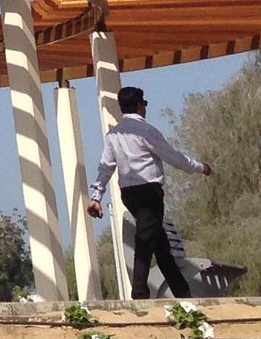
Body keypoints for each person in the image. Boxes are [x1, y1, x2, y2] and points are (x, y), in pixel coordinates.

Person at [87, 84, 212, 299]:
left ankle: (182, 291)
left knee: (159, 243)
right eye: (144, 104)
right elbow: (174, 157)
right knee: (145, 240)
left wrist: (97, 196)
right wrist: (200, 167)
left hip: (129, 194)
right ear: (139, 106)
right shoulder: (146, 131)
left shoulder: (113, 136)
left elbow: (105, 167)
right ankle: (139, 293)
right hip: (149, 193)